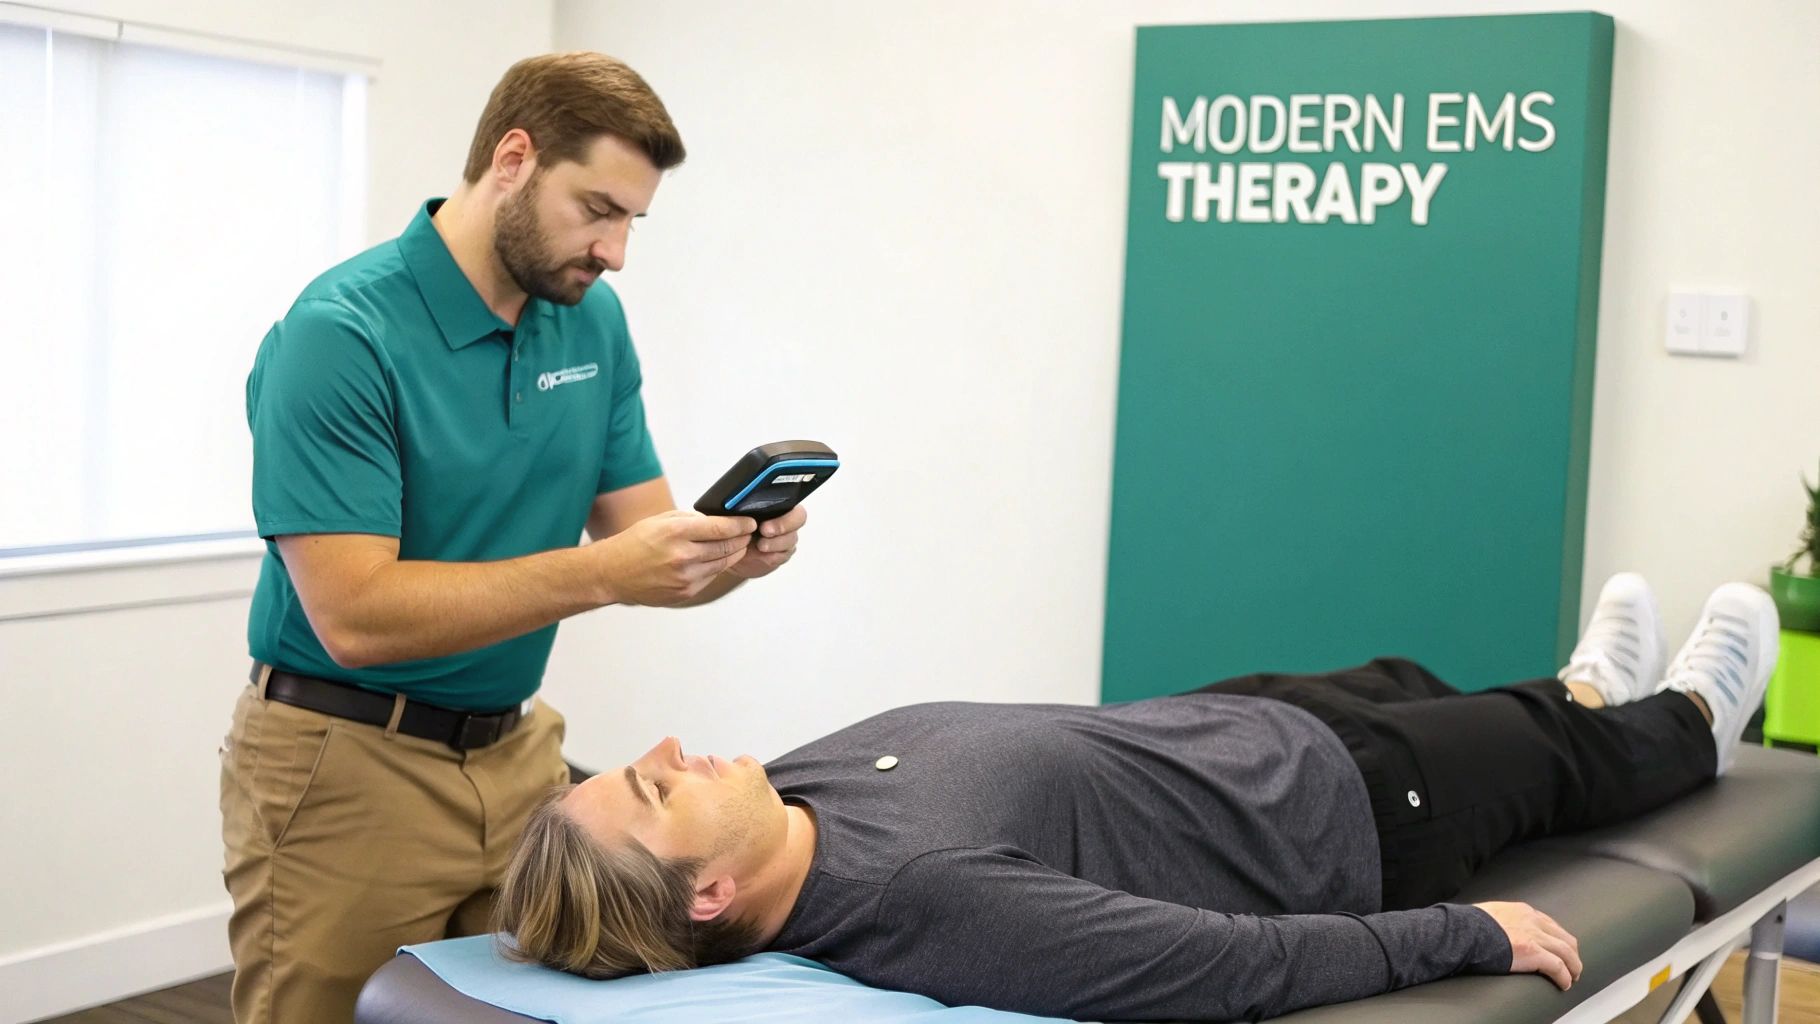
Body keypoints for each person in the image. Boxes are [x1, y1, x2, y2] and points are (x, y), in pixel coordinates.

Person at [494, 575, 1781, 1021]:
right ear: (709, 895)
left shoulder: (785, 794)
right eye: (658, 787)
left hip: (1236, 726)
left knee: (1434, 681)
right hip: (1343, 820)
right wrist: (1464, 932)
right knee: (1552, 758)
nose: (673, 745)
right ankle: (1691, 720)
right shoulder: (923, 903)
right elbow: (1223, 969)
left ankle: (1585, 688)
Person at [219, 52, 809, 1023]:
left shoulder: (590, 322)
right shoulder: (341, 335)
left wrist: (736, 556)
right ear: (514, 157)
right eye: (598, 209)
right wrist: (608, 571)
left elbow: (644, 548)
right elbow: (355, 617)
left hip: (522, 760)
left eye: (632, 219)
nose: (615, 249)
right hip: (349, 759)